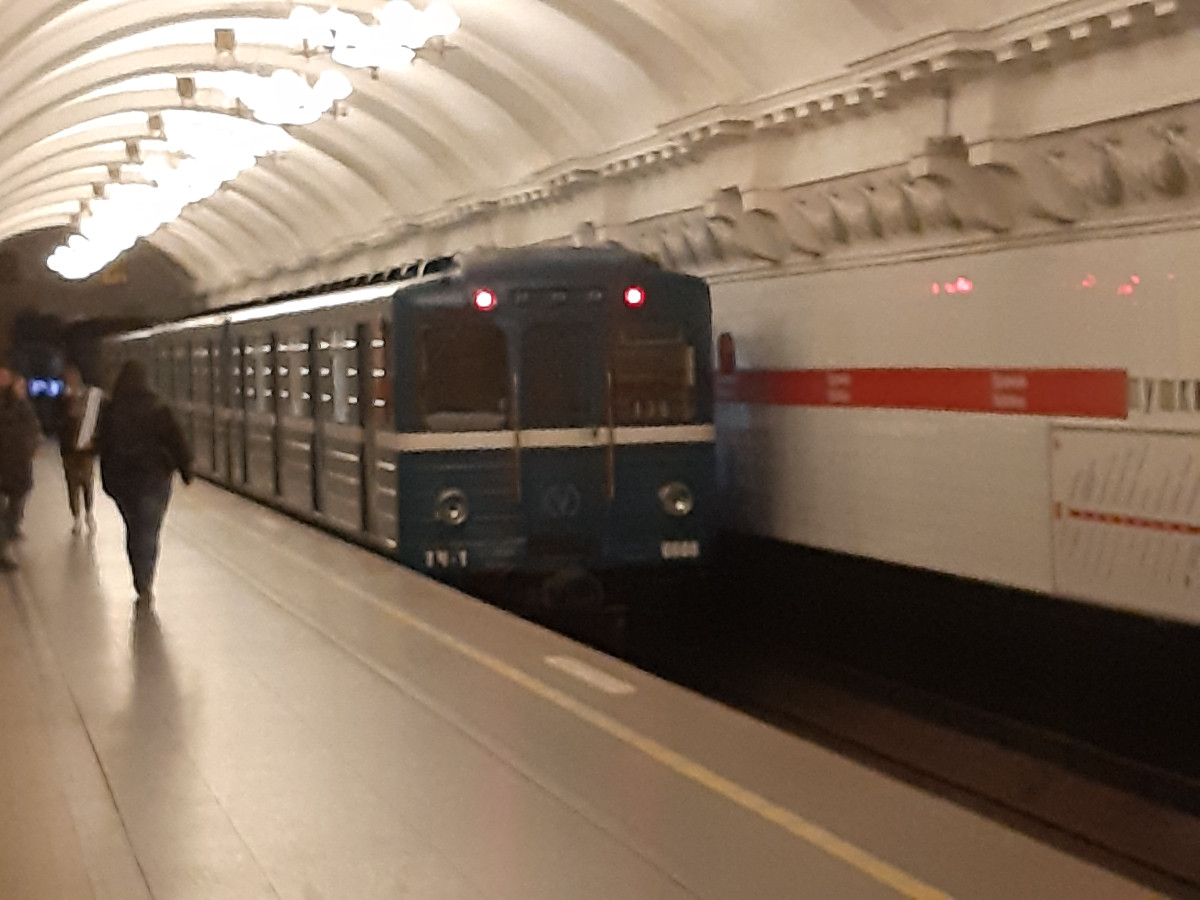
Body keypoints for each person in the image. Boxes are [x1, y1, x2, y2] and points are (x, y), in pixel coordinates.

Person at [96, 360, 193, 605]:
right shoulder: (158, 408)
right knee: (149, 529)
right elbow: (176, 440)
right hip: (154, 478)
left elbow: (102, 444)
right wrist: (186, 470)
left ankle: (139, 575)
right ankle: (145, 578)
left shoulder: (111, 410)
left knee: (134, 528)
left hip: (121, 481)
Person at [0, 366, 41, 569]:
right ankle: (2, 549)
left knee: (17, 500)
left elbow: (32, 426)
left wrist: (31, 445)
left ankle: (8, 532)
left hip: (17, 463)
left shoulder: (19, 403)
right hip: (9, 462)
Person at [52, 365, 99, 535]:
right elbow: (55, 423)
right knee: (72, 484)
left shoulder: (88, 397)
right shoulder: (61, 401)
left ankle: (89, 513)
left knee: (87, 482)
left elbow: (94, 420)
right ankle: (77, 517)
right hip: (69, 449)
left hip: (86, 449)